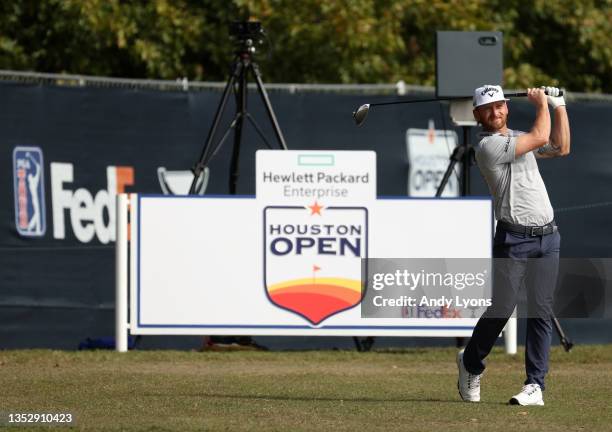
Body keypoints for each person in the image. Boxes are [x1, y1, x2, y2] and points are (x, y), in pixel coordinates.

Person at [457, 84, 570, 406]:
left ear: (507, 106)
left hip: (548, 237)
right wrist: (542, 104)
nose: (495, 113)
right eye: (487, 109)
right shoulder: (488, 146)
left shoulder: (519, 136)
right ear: (478, 115)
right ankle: (471, 363)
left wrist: (559, 106)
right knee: (502, 309)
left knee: (541, 310)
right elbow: (538, 137)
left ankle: (535, 385)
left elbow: (561, 147)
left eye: (499, 106)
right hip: (514, 239)